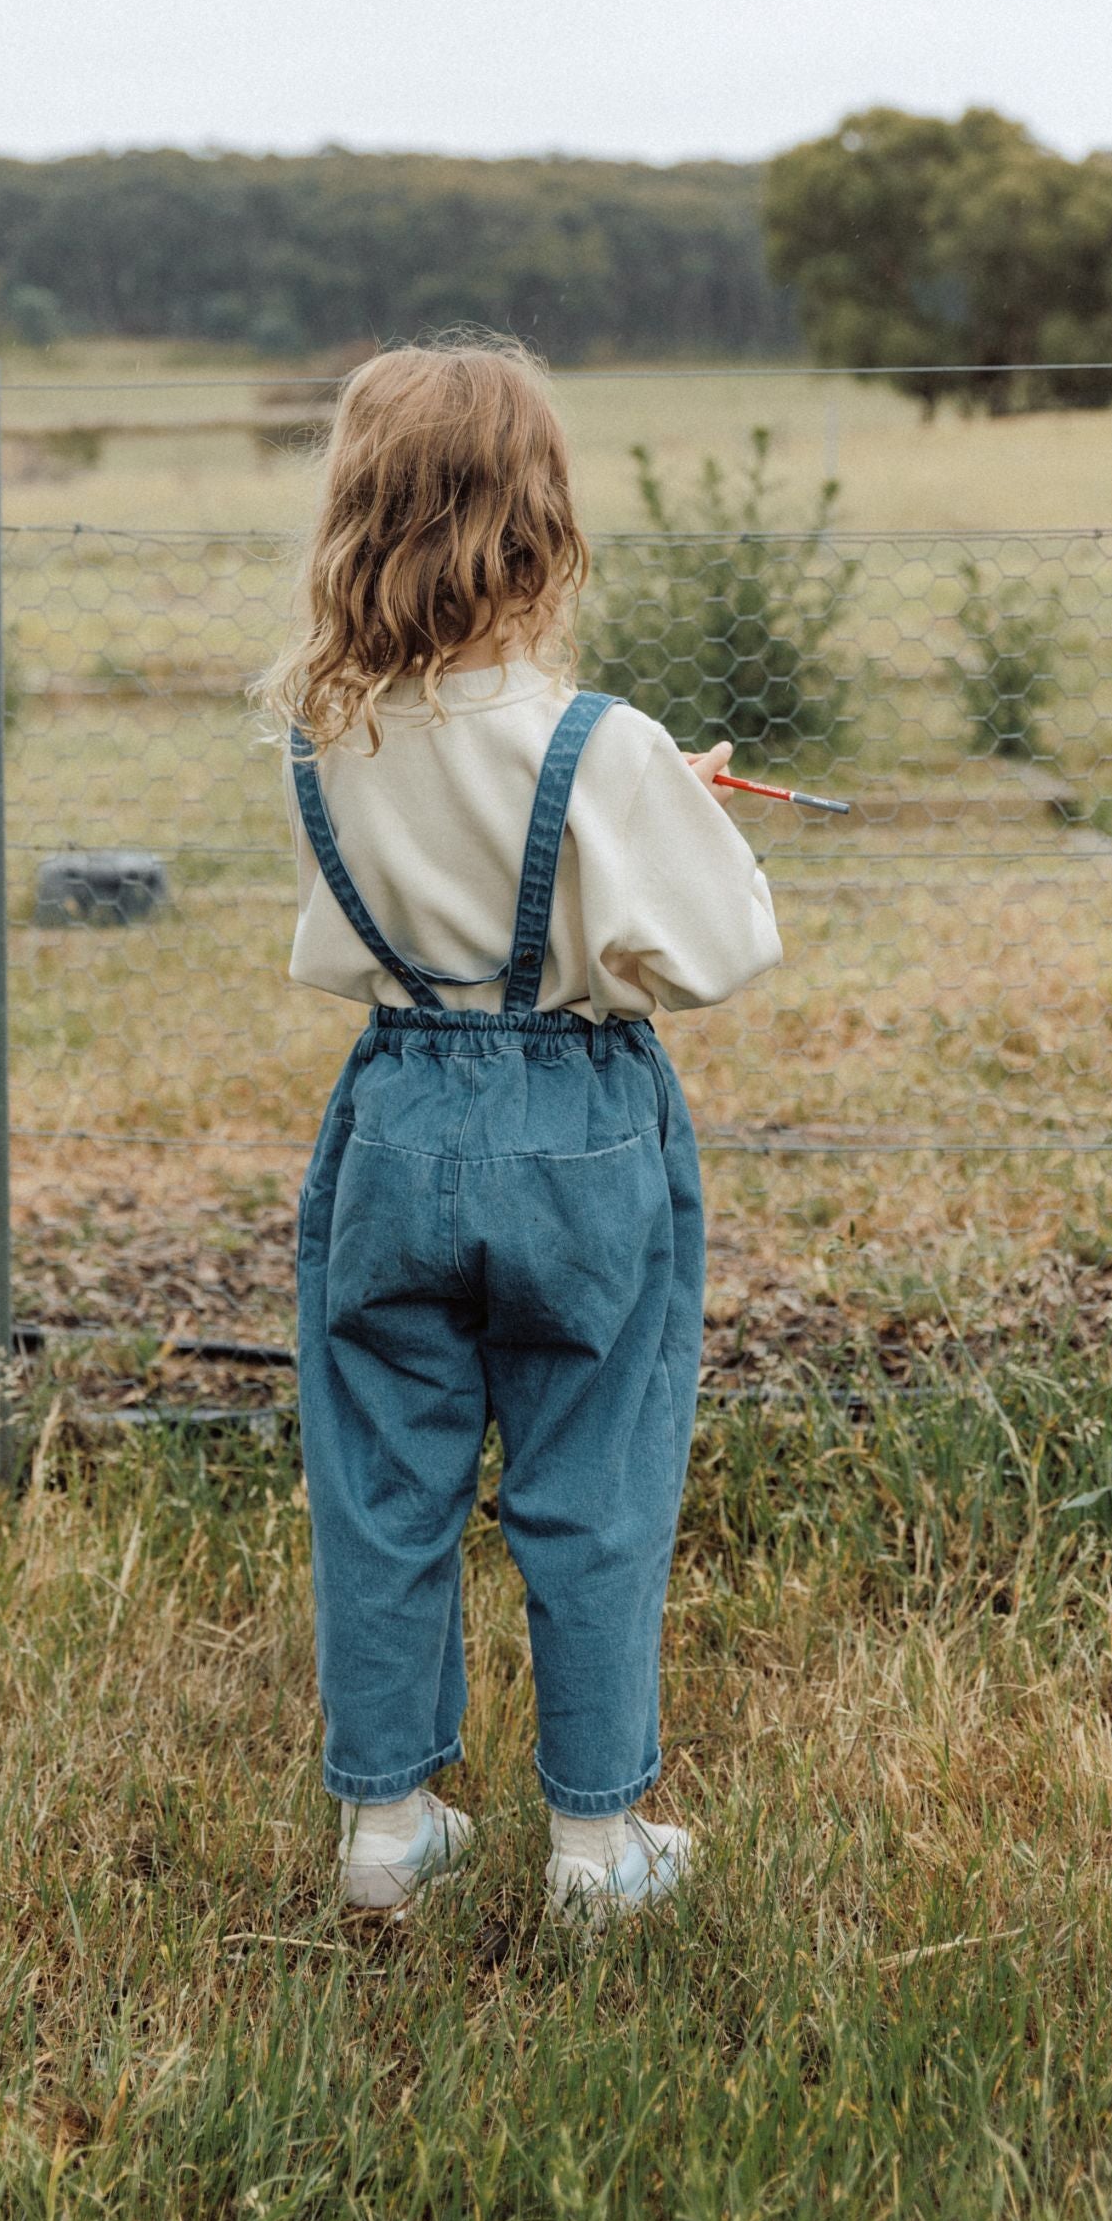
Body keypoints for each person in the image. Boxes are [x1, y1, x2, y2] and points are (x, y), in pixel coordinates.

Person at [255, 340, 782, 1919]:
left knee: (382, 1479)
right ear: (538, 521)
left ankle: (387, 1827)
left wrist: (639, 799)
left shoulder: (320, 726)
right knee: (595, 1482)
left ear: (360, 511)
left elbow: (401, 885)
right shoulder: (598, 742)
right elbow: (713, 949)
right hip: (575, 1123)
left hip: (399, 1107)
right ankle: (597, 1847)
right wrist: (670, 810)